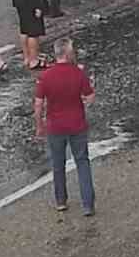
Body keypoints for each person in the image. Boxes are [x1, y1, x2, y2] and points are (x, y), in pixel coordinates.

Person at [34, 38, 96, 215]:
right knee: (82, 162)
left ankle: (61, 201)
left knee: (58, 164)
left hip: (55, 127)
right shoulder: (78, 73)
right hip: (77, 125)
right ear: (68, 53)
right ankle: (88, 204)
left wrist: (39, 125)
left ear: (56, 53)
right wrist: (89, 91)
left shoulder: (46, 76)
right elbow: (90, 99)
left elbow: (38, 104)